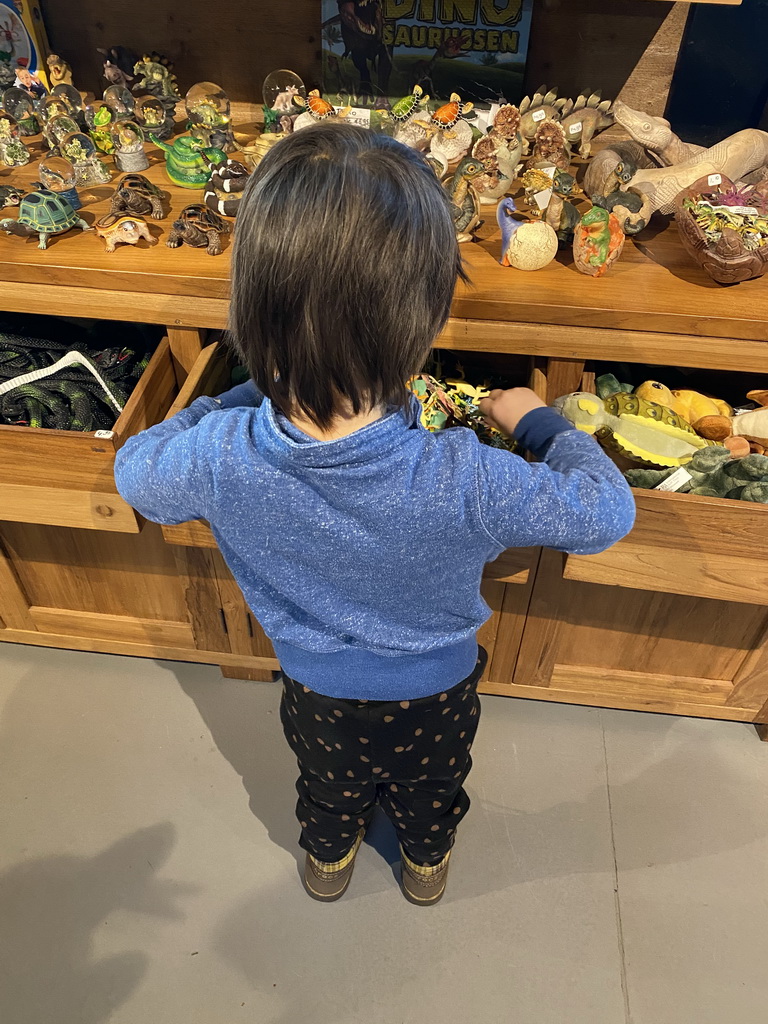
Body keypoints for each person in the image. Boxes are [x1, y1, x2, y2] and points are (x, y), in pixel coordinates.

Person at [115, 122, 635, 906]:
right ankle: (426, 865)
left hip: (314, 690)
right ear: (421, 326)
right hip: (437, 695)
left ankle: (327, 860)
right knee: (434, 790)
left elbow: (136, 476)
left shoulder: (219, 451)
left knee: (327, 788)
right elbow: (606, 512)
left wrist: (232, 398)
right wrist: (539, 422)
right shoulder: (466, 474)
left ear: (252, 309)